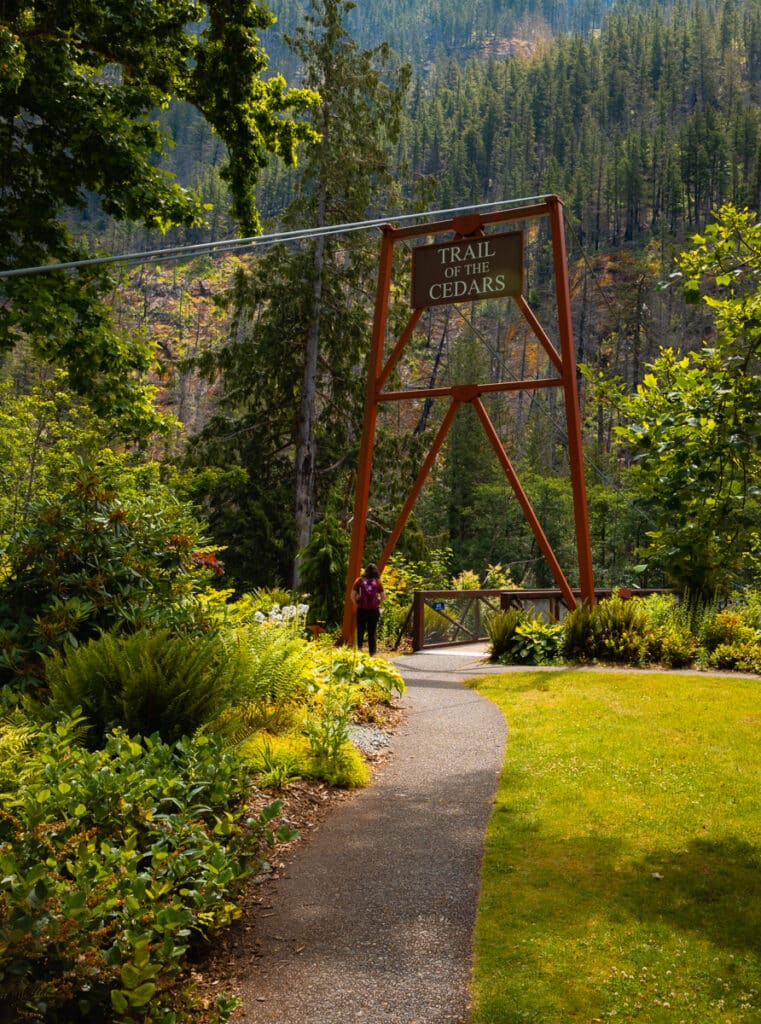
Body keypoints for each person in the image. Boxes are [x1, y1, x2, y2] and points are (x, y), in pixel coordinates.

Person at [351, 563, 385, 656]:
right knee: (372, 631)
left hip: (361, 609)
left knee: (360, 630)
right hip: (374, 610)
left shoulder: (359, 581)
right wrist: (378, 603)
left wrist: (356, 604)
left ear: (365, 571)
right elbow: (383, 596)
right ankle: (372, 652)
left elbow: (352, 595)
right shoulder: (377, 581)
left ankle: (359, 649)